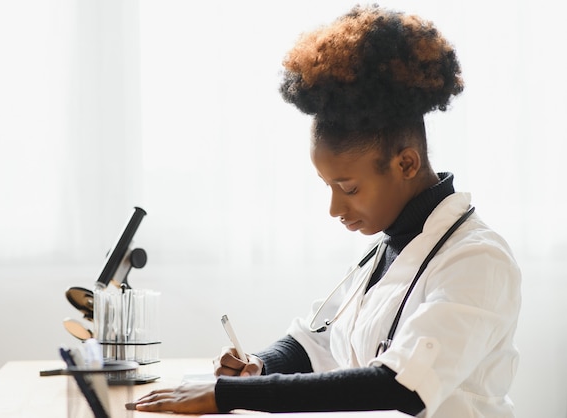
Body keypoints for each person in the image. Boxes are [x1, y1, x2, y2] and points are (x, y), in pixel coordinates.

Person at [126, 4, 521, 417]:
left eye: (347, 187)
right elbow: (317, 341)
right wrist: (259, 367)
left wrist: (232, 396)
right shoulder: (391, 248)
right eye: (328, 186)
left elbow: (402, 386)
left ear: (405, 164)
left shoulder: (477, 258)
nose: (335, 208)